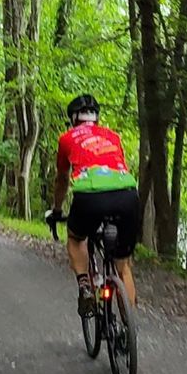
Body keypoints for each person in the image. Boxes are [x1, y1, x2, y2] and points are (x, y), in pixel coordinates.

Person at [44, 93, 140, 318]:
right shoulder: (113, 136)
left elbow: (62, 179)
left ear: (73, 118)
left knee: (76, 238)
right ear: (96, 117)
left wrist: (57, 210)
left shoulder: (67, 138)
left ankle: (86, 286)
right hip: (128, 195)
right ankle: (129, 326)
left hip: (90, 197)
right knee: (123, 265)